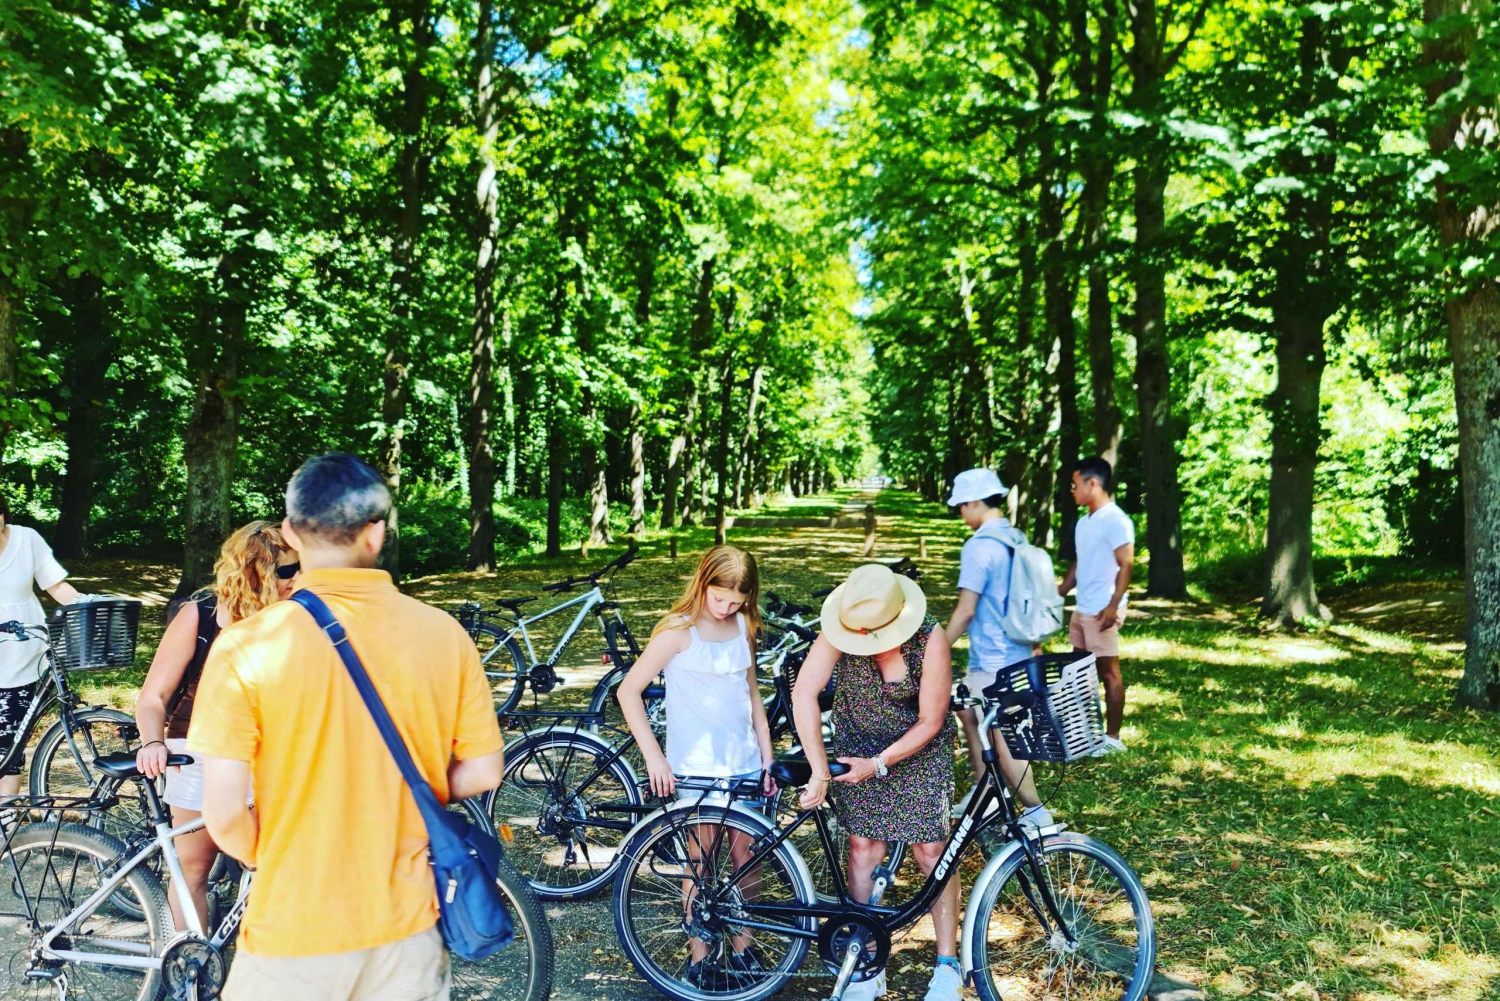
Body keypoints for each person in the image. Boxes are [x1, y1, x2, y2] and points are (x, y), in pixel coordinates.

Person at [188, 453, 505, 1001]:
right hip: (407, 929)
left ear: (290, 533)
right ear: (376, 534)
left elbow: (223, 813)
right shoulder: (444, 634)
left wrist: (272, 857)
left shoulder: (247, 645)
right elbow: (482, 771)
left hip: (293, 931)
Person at [793, 563, 960, 1001]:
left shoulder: (930, 637)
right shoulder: (843, 625)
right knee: (863, 846)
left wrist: (881, 763)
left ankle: (947, 966)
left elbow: (931, 720)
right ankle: (865, 961)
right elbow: (803, 692)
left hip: (919, 750)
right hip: (858, 744)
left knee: (931, 851)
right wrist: (819, 768)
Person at [617, 545, 777, 986]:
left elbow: (752, 695)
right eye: (719, 597)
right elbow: (628, 692)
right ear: (703, 582)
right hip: (696, 766)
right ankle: (700, 959)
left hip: (744, 761)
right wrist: (654, 756)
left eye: (736, 601)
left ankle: (743, 949)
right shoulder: (677, 631)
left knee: (747, 860)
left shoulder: (745, 625)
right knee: (700, 862)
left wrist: (767, 758)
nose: (726, 608)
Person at [133, 521, 299, 931]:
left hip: (271, 754)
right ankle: (186, 961)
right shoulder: (201, 614)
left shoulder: (296, 616)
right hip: (198, 748)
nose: (298, 578)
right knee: (192, 867)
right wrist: (152, 742)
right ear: (257, 573)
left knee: (276, 865)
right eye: (287, 570)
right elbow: (153, 696)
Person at [942, 468, 1053, 828]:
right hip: (1016, 652)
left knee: (1001, 736)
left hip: (993, 659)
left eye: (962, 506)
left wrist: (936, 648)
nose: (961, 514)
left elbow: (966, 609)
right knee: (967, 713)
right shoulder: (1015, 538)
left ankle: (1037, 813)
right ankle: (984, 795)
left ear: (975, 502)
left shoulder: (979, 547)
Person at [0, 493, 80, 798]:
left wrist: (87, 604)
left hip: (23, 654)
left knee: (10, 747)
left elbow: (56, 586)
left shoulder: (26, 539)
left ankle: (7, 821)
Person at [1058, 456, 1135, 754]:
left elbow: (1126, 564)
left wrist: (1113, 606)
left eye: (1075, 484)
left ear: (1092, 483)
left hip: (1103, 609)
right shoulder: (1084, 522)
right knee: (1079, 671)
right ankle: (1084, 733)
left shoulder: (1116, 520)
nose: (1072, 490)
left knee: (1108, 673)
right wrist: (1061, 591)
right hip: (1083, 608)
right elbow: (1080, 562)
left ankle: (1113, 739)